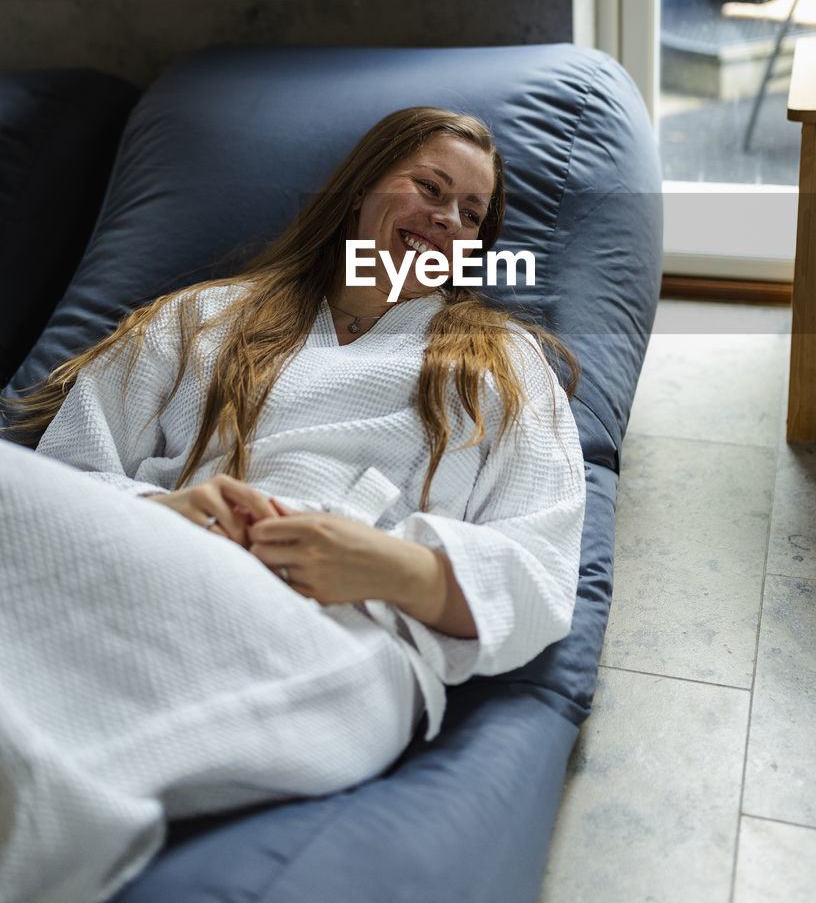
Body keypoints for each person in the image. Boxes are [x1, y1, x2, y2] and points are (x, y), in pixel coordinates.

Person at [0, 106, 585, 903]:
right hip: (145, 562)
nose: (446, 218)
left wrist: (394, 566)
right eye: (430, 186)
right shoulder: (202, 316)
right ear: (360, 190)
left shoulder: (507, 367)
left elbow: (541, 562)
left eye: (471, 214)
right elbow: (69, 474)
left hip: (336, 624)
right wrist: (156, 508)